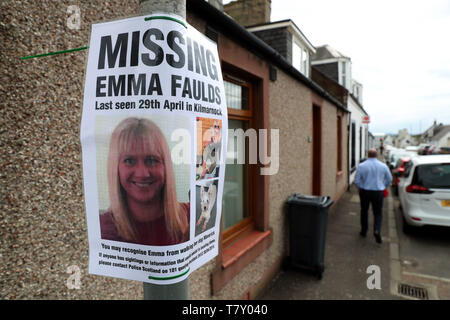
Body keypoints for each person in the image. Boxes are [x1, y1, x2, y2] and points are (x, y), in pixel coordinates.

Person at [100, 117, 190, 246]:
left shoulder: (192, 216)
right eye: (129, 161)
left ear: (165, 166)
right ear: (116, 168)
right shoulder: (103, 228)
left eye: (152, 160)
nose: (142, 174)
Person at [354, 148, 392, 244]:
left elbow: (357, 181)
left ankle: (364, 231)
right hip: (378, 192)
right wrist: (383, 186)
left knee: (364, 211)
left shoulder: (362, 166)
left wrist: (360, 188)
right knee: (378, 213)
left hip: (365, 191)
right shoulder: (383, 166)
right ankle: (377, 230)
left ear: (368, 155)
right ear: (377, 155)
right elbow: (389, 179)